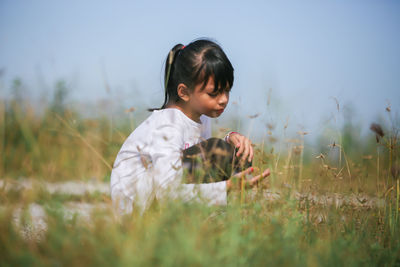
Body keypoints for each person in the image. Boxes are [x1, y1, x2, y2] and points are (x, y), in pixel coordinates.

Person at [110, 39, 270, 216]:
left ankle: (235, 219)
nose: (224, 99)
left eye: (227, 90)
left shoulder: (199, 117)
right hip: (138, 214)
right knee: (218, 151)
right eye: (214, 93)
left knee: (237, 151)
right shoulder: (167, 125)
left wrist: (230, 139)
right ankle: (224, 217)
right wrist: (227, 187)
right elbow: (166, 193)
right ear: (184, 92)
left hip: (162, 202)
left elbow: (198, 158)